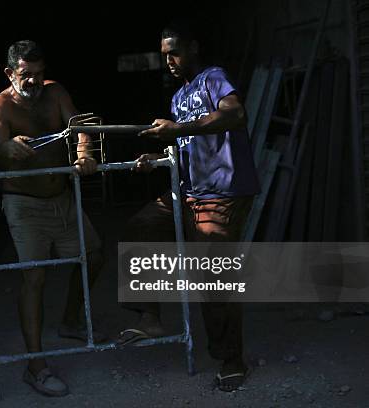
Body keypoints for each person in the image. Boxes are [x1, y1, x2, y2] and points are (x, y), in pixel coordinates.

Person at [117, 23, 260, 392]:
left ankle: (231, 360)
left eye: (175, 52)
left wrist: (177, 130)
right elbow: (185, 149)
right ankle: (150, 315)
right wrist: (159, 156)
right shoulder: (179, 97)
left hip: (222, 192)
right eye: (165, 54)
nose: (170, 60)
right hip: (190, 189)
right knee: (141, 227)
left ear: (194, 48)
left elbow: (235, 115)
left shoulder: (214, 78)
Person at [0, 40, 104, 397]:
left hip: (62, 196)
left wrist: (84, 153)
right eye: (26, 75)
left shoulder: (56, 94)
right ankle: (35, 366)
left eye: (39, 74)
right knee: (34, 277)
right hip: (24, 203)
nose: (34, 81)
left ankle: (70, 320)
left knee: (95, 255)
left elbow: (81, 124)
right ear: (10, 74)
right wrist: (7, 150)